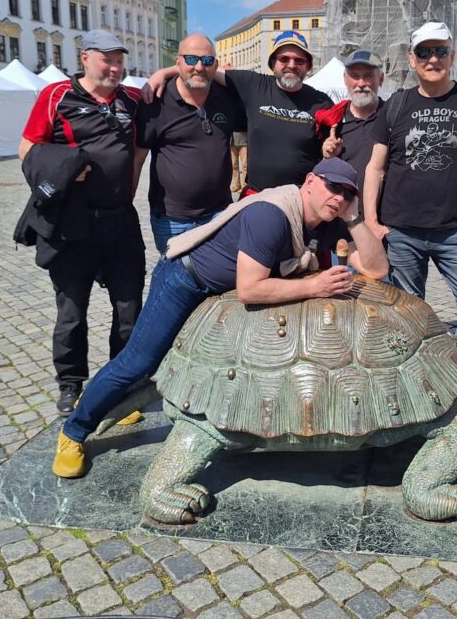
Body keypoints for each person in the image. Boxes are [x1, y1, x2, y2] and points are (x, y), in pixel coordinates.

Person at [52, 158, 389, 477]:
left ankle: (111, 404)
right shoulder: (271, 215)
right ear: (311, 181)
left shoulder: (325, 222)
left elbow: (377, 268)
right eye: (333, 187)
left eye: (348, 193)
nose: (338, 197)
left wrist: (353, 218)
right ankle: (73, 431)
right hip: (184, 281)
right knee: (140, 361)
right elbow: (250, 289)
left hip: (219, 292)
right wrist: (314, 286)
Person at [17, 30, 148, 416]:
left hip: (120, 221)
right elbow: (27, 148)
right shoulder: (57, 95)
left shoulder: (131, 99)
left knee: (129, 307)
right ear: (85, 57)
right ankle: (70, 383)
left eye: (119, 60)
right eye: (107, 59)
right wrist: (62, 171)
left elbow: (140, 147)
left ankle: (122, 378)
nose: (115, 67)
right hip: (72, 224)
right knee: (72, 311)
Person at [363, 22, 457, 353]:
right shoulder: (397, 104)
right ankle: (418, 372)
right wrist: (371, 221)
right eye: (424, 52)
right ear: (412, 58)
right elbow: (375, 167)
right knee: (407, 317)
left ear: (451, 56)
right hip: (402, 232)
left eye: (440, 51)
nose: (433, 59)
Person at [147, 30, 332, 193]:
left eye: (299, 60)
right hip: (258, 198)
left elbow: (333, 147)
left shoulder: (321, 102)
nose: (291, 64)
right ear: (273, 63)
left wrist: (330, 150)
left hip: (302, 199)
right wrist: (164, 73)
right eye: (284, 59)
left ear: (308, 66)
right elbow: (203, 68)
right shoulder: (253, 85)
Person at [137, 34, 245, 253]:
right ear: (178, 62)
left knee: (219, 273)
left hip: (219, 215)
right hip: (172, 220)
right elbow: (137, 159)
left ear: (215, 64)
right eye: (191, 59)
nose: (199, 67)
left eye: (207, 60)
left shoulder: (228, 98)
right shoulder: (156, 100)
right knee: (174, 273)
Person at [318, 49, 386, 202]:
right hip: (342, 211)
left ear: (381, 79)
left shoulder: (392, 118)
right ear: (345, 79)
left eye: (368, 76)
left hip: (383, 213)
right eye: (355, 76)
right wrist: (327, 158)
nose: (361, 84)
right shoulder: (332, 123)